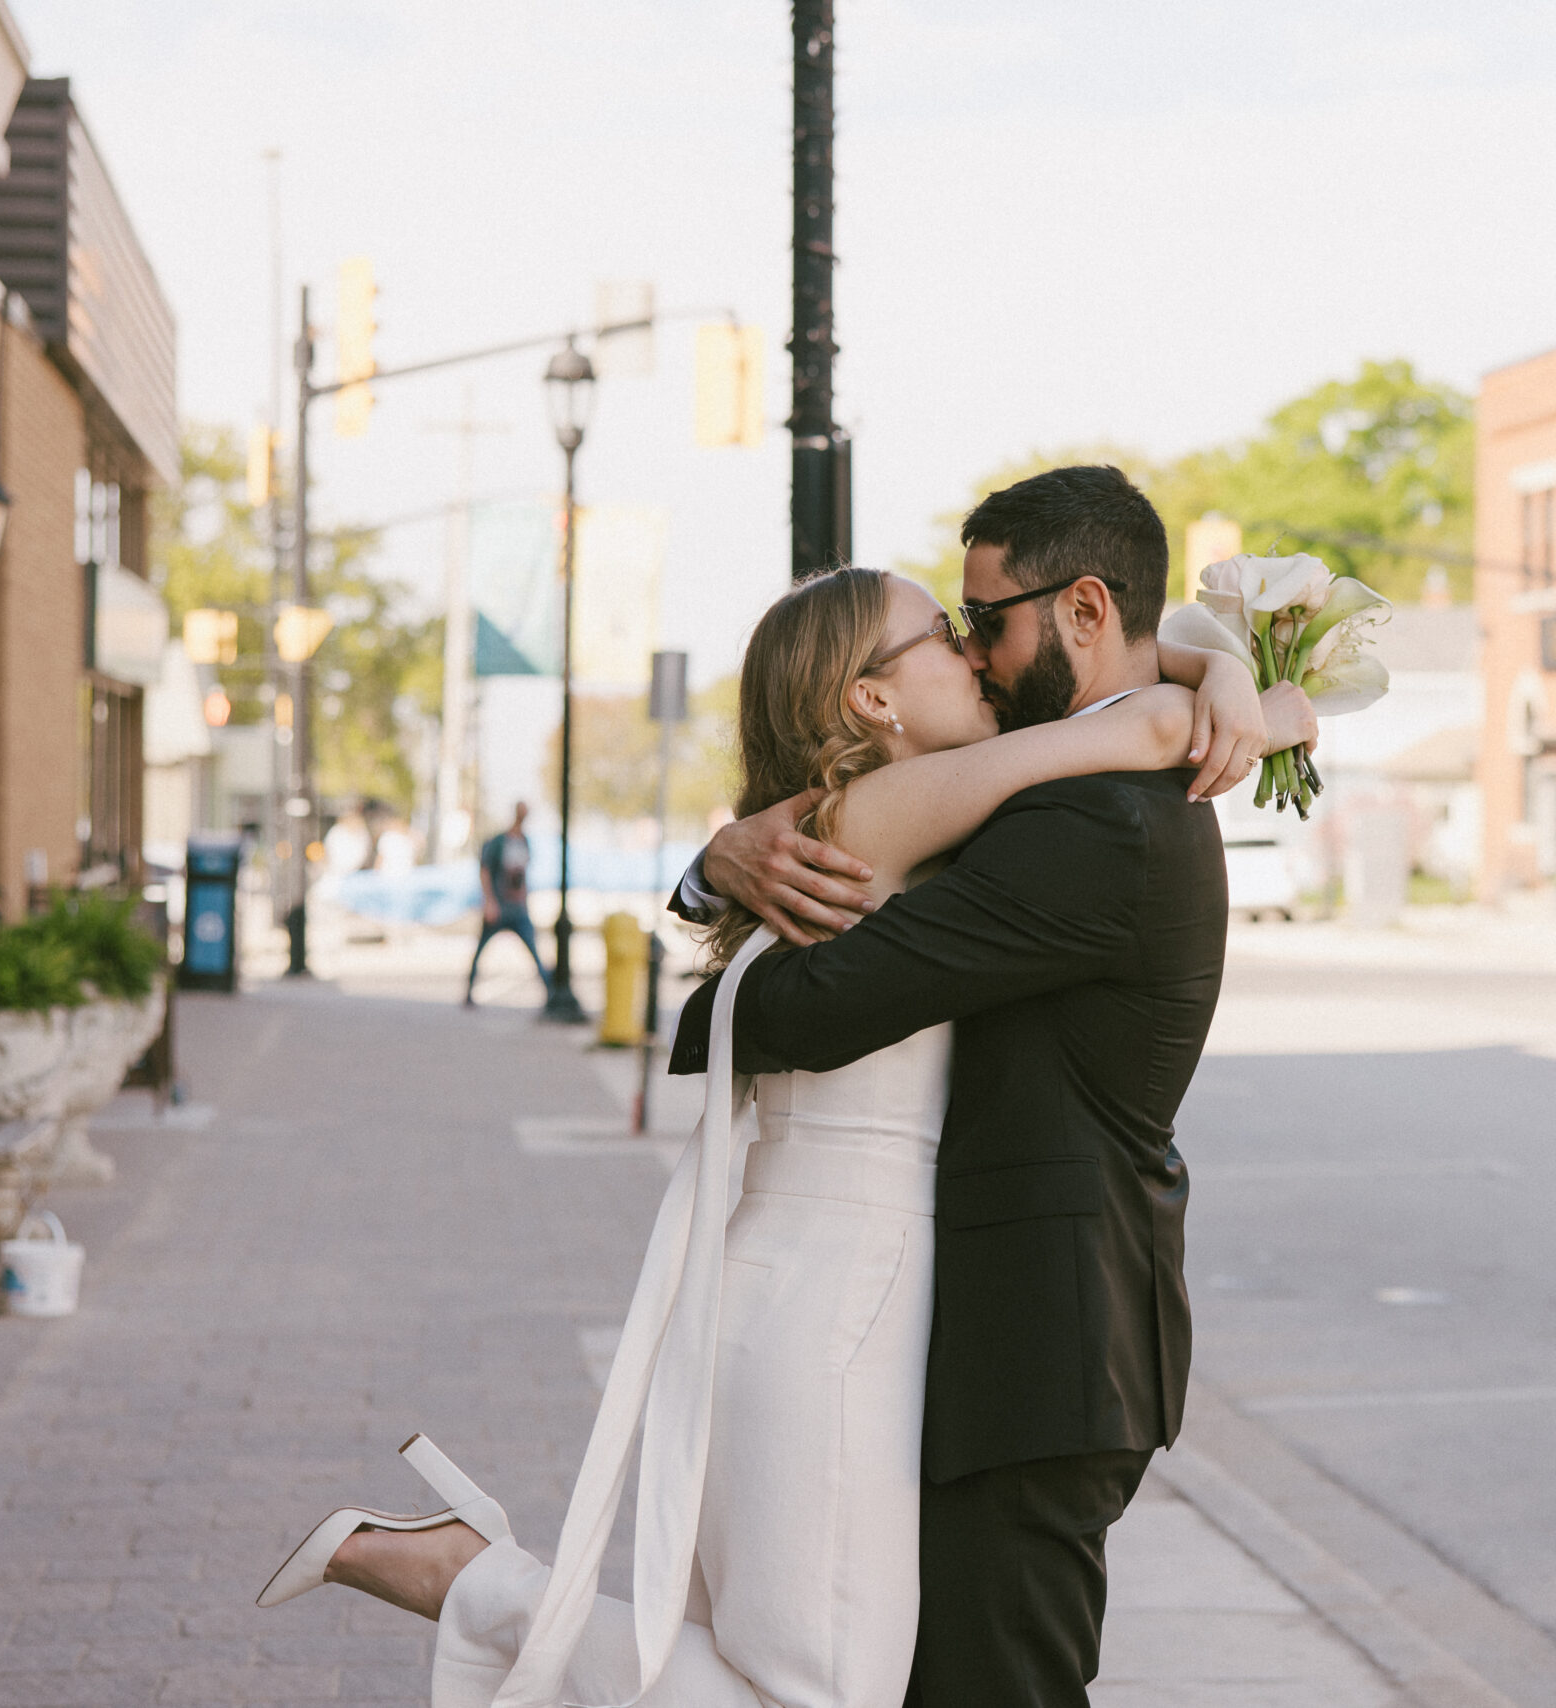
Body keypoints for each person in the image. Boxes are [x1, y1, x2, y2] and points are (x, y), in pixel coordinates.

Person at [258, 472, 1311, 1708]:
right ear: (872, 696)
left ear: (1082, 609)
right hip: (846, 1297)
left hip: (957, 1322)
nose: (973, 655)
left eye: (986, 625)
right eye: (950, 633)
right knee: (813, 1689)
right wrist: (719, 864)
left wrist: (1213, 675)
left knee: (823, 1678)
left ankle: (480, 1581)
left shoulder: (1078, 813)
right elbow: (753, 1004)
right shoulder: (990, 798)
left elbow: (1132, 667)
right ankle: (475, 1581)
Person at [465, 804, 548, 1007]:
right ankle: (468, 992)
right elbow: (485, 871)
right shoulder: (499, 842)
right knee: (481, 950)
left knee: (535, 952)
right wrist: (490, 902)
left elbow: (524, 877)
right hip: (499, 907)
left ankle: (551, 993)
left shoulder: (525, 842)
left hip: (518, 909)